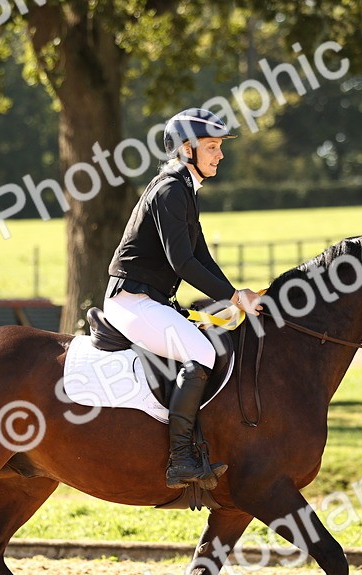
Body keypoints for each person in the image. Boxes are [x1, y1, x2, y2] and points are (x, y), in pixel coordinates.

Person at [105, 108, 264, 489]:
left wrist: (236, 296)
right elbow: (182, 262)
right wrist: (231, 295)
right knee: (203, 353)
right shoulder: (170, 189)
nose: (220, 154)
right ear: (186, 149)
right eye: (212, 147)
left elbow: (202, 257)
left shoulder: (185, 189)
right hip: (131, 300)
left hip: (152, 300)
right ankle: (181, 459)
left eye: (219, 147)